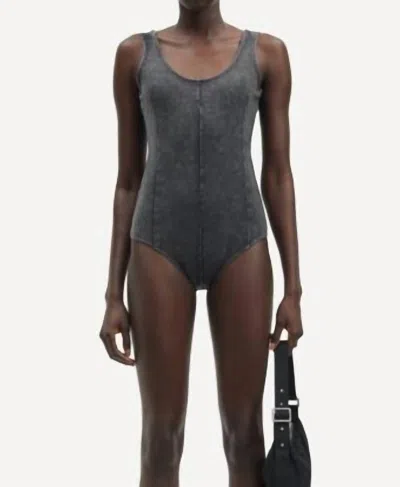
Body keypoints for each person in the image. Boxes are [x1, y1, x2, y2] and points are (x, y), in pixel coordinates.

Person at [100, 1, 303, 486]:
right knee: (161, 437)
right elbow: (127, 180)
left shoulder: (266, 54)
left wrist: (294, 289)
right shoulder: (135, 55)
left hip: (242, 243)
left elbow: (278, 174)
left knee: (244, 437)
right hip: (157, 245)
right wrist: (112, 294)